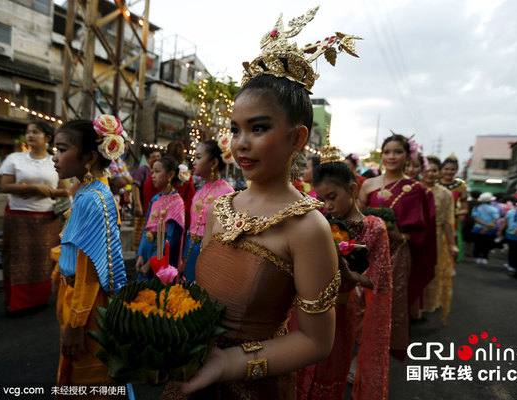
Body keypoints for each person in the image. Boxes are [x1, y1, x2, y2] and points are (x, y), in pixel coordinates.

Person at [163, 7, 354, 398]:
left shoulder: (309, 228)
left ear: (298, 139)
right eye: (236, 129)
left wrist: (228, 364)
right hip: (190, 372)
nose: (241, 142)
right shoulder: (221, 208)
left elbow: (317, 342)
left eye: (259, 128)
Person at [297, 159, 391, 400]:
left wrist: (353, 276)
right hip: (304, 310)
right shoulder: (318, 221)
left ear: (352, 189)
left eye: (332, 196)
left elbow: (380, 282)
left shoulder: (374, 228)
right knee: (297, 373)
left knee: (329, 375)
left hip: (341, 312)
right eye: (322, 199)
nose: (327, 205)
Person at [50, 116, 128, 388]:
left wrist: (75, 324)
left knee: (85, 381)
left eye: (61, 149)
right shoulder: (92, 190)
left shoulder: (92, 199)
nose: (54, 157)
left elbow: (89, 272)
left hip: (86, 306)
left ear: (89, 157)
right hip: (80, 300)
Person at [359, 133, 436, 360]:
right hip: (366, 251)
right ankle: (358, 349)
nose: (391, 156)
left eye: (398, 152)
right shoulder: (369, 184)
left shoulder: (417, 189)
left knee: (387, 304)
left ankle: (375, 354)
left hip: (398, 254)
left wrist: (397, 235)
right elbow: (356, 217)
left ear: (408, 156)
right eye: (387, 152)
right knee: (359, 300)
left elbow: (422, 232)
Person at [0, 121, 70, 313]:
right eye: (28, 132)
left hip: (46, 218)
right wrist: (33, 187)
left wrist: (47, 191)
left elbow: (66, 191)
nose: (30, 136)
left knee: (42, 260)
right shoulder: (14, 159)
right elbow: (4, 186)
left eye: (35, 132)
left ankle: (39, 300)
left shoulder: (56, 161)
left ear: (47, 138)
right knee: (17, 259)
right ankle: (16, 303)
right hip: (18, 216)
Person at [181, 140, 233, 282]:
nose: (194, 162)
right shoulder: (200, 190)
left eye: (198, 157)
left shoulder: (227, 192)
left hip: (210, 255)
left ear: (214, 163)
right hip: (191, 250)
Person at [421, 156, 458, 325]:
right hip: (414, 236)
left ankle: (427, 305)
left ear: (439, 172)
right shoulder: (412, 189)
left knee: (432, 272)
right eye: (427, 170)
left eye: (434, 170)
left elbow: (448, 222)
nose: (430, 173)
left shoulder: (445, 194)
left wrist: (451, 244)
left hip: (435, 237)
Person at [135, 156, 185, 280]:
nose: (153, 175)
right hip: (147, 249)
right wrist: (141, 254)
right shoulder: (155, 199)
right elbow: (146, 228)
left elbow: (171, 240)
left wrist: (152, 263)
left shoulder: (177, 202)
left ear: (170, 175)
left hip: (161, 255)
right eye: (152, 171)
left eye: (157, 171)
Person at [438, 154, 468, 262]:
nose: (449, 172)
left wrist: (453, 214)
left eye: (452, 169)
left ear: (457, 170)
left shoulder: (461, 186)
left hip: (451, 222)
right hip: (434, 220)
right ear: (441, 169)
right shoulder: (434, 183)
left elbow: (465, 209)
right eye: (446, 169)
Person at [131, 146, 162, 251]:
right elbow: (135, 186)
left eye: (159, 156)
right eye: (154, 156)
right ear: (148, 158)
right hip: (143, 208)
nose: (157, 159)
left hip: (151, 209)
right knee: (140, 234)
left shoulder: (156, 171)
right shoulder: (143, 170)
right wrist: (138, 205)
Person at [470, 192, 500, 264]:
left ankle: (477, 256)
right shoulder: (494, 209)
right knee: (487, 244)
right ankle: (484, 257)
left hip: (478, 228)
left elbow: (475, 218)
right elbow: (496, 218)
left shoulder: (476, 208)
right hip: (489, 229)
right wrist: (489, 225)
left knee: (478, 243)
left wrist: (485, 224)